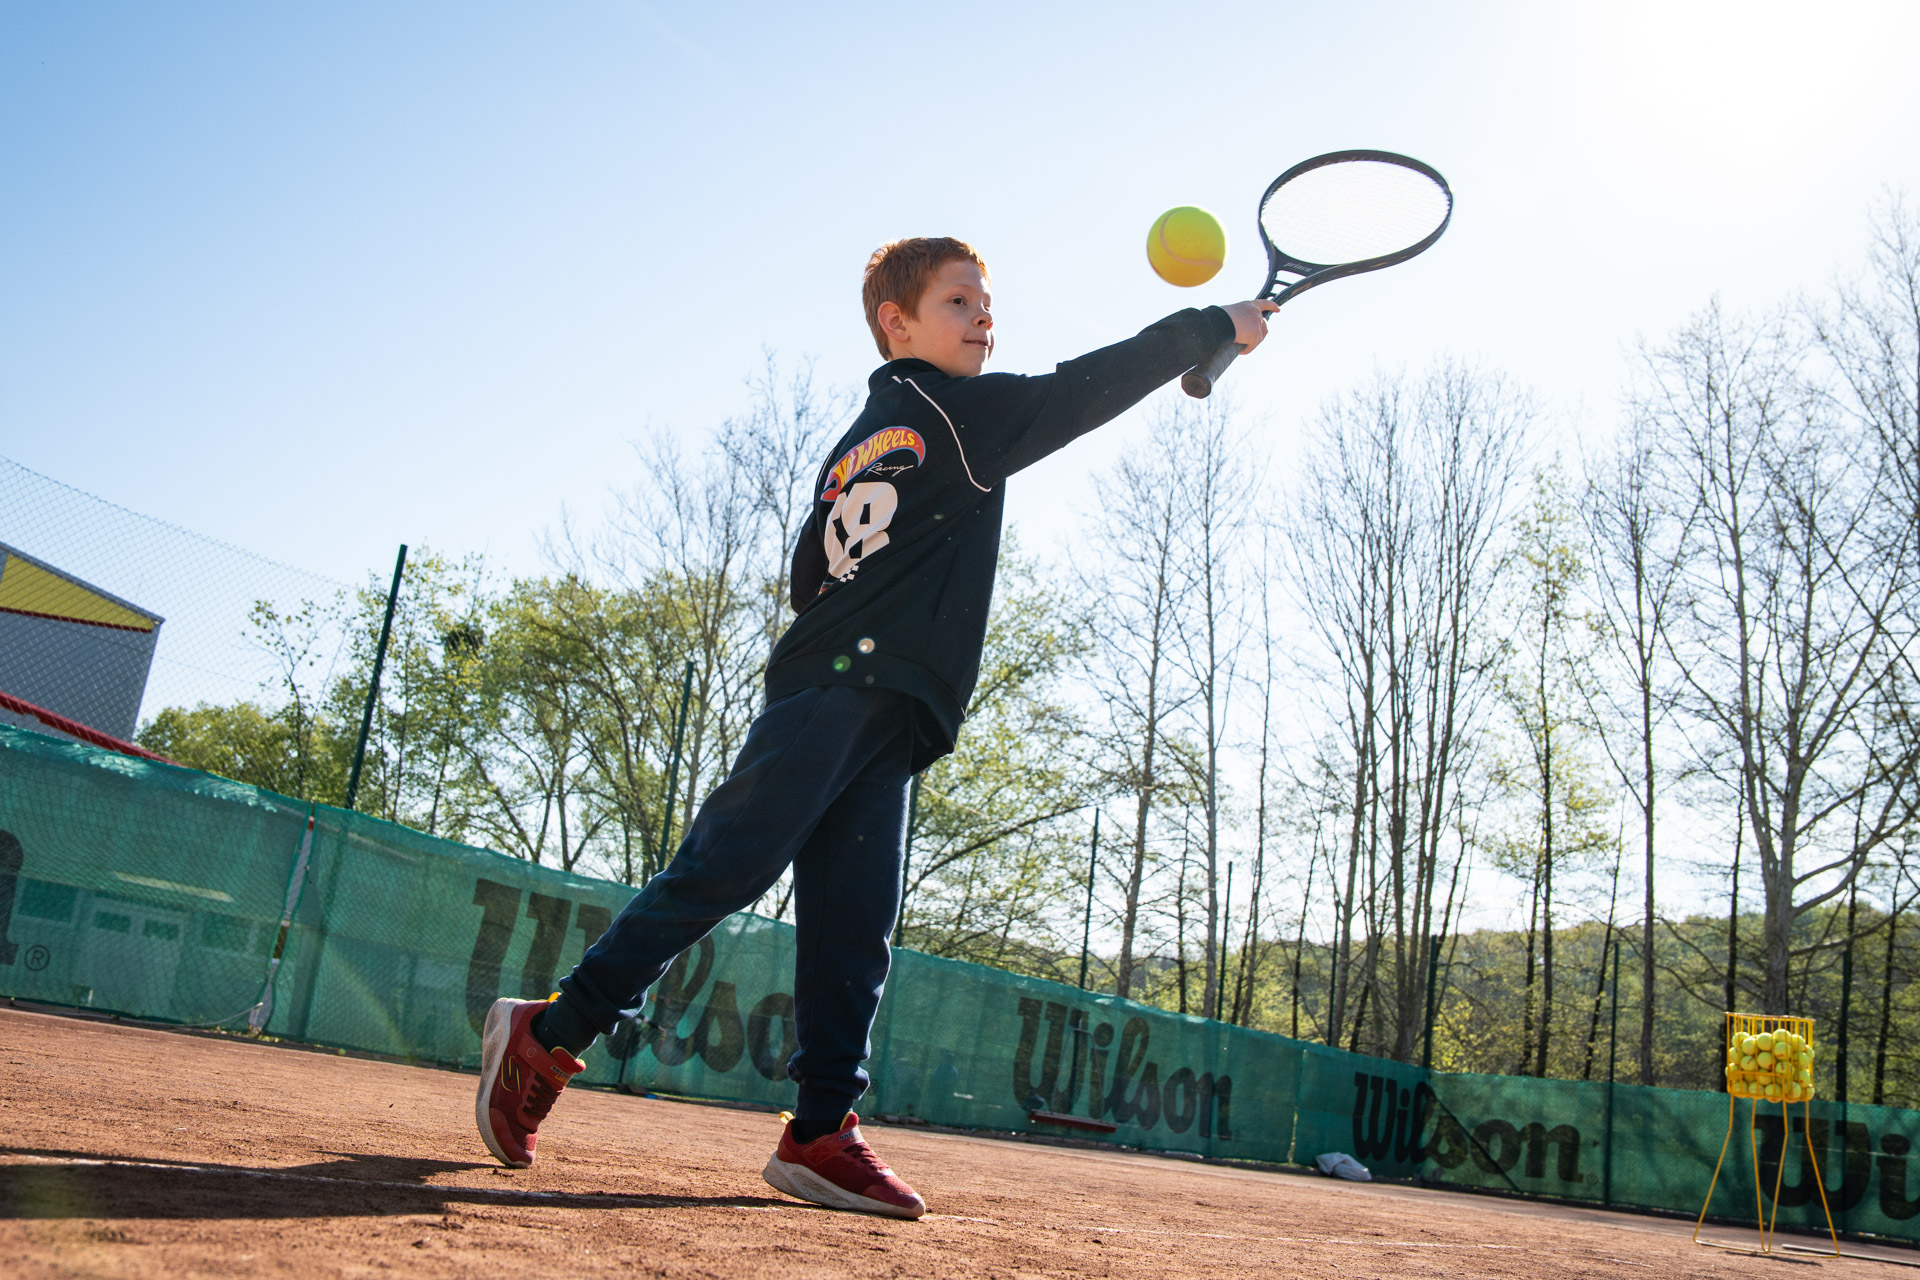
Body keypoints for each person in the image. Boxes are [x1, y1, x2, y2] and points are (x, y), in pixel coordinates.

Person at [474, 236, 1276, 1219]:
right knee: (728, 865)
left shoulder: (874, 428)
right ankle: (554, 1029)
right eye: (958, 301)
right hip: (849, 689)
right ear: (897, 323)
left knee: (856, 924)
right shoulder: (958, 410)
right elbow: (1085, 390)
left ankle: (819, 1128)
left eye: (987, 301)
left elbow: (811, 571)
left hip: (872, 696)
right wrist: (1213, 328)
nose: (984, 316)